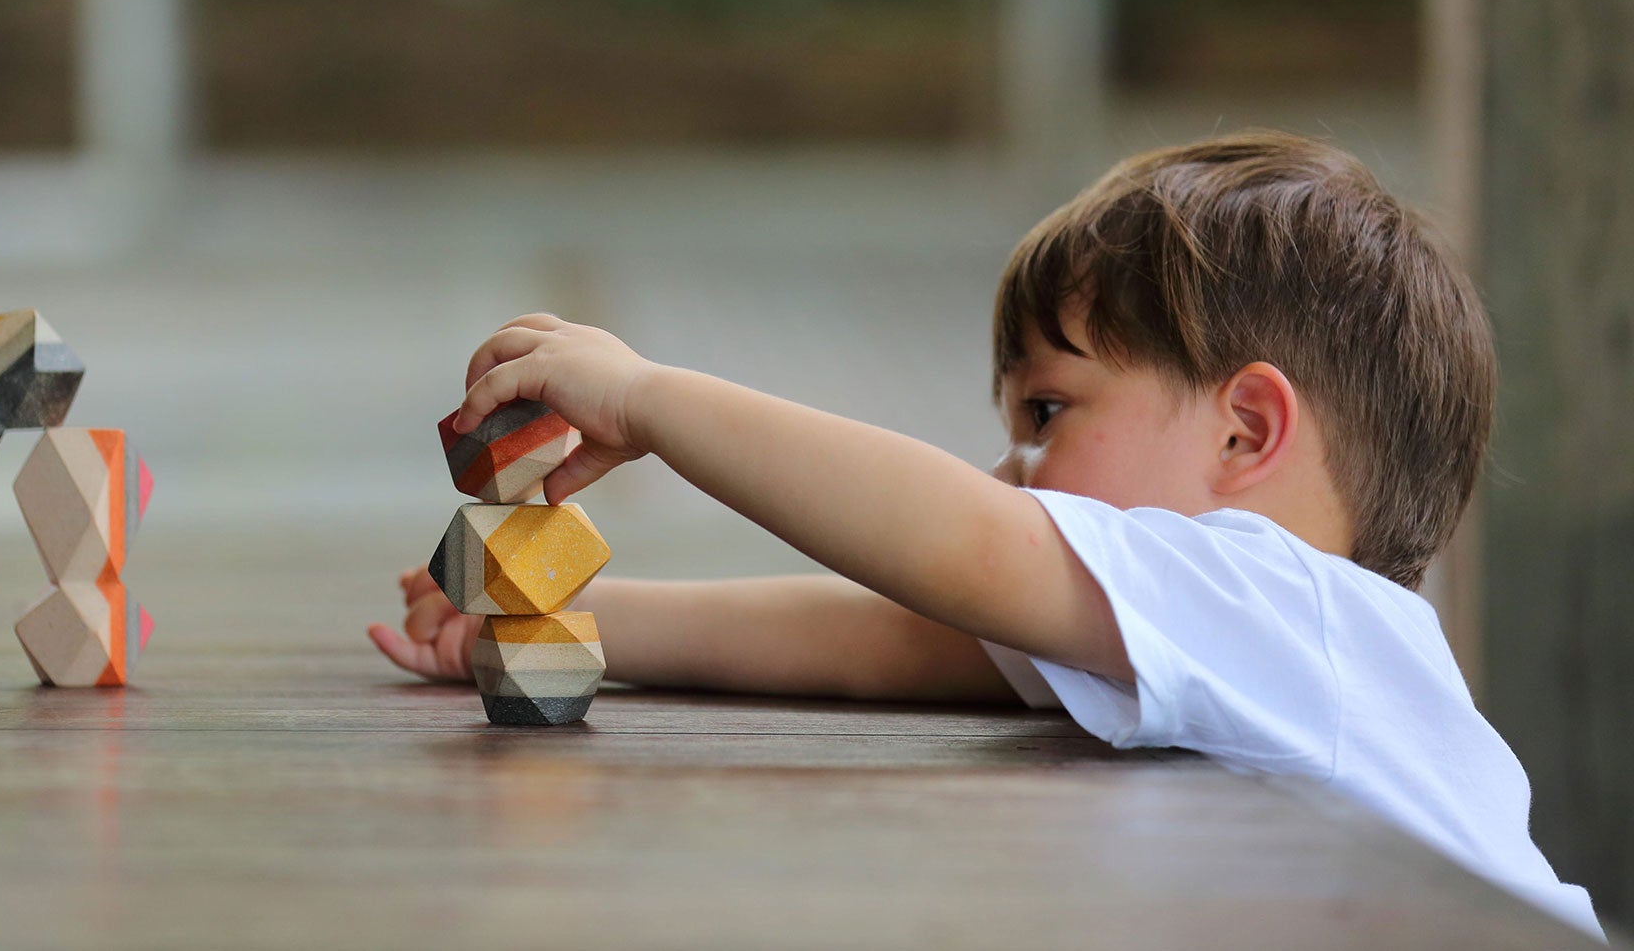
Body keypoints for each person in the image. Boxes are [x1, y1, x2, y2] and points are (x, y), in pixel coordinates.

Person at [368, 131, 1601, 938]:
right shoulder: (1212, 637)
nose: (1012, 468)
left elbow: (965, 549)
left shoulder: (1287, 603)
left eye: (1050, 411)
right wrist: (576, 622)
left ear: (1244, 433)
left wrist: (650, 399)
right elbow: (900, 636)